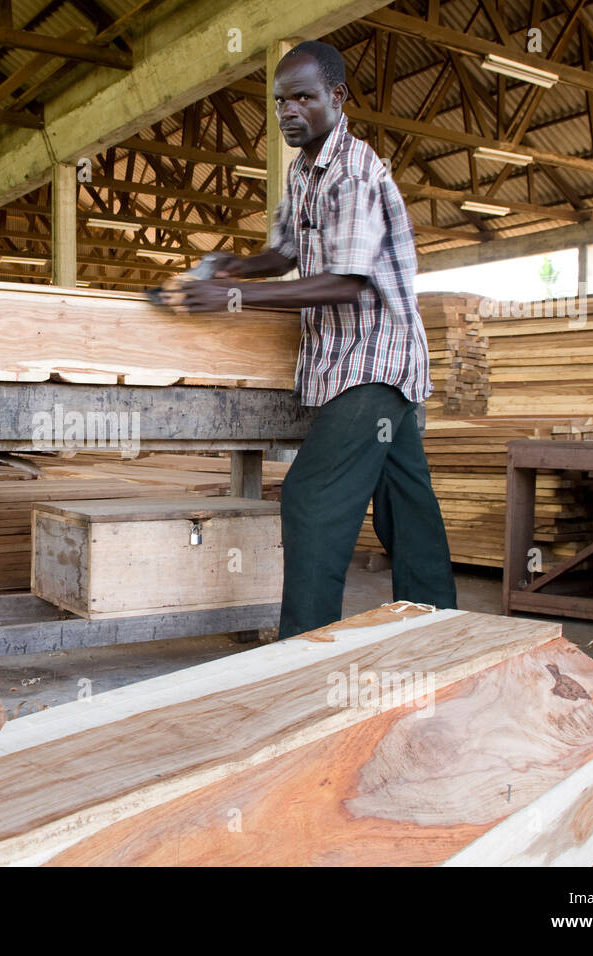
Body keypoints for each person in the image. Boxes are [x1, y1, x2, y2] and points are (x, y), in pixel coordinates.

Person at [159, 39, 457, 638]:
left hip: (374, 358)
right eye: (279, 101)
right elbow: (286, 254)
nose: (288, 111)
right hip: (355, 364)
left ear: (337, 98)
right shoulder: (303, 172)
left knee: (310, 499)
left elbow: (345, 282)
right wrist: (232, 266)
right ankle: (442, 637)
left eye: (303, 97)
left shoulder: (353, 173)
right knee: (407, 509)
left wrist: (231, 299)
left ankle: (305, 656)